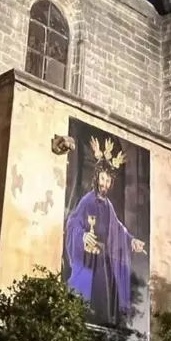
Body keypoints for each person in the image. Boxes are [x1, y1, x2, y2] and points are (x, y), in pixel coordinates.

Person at [65, 136, 146, 326]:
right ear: (96, 179)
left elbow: (118, 228)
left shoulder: (107, 204)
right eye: (103, 179)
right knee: (85, 293)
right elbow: (73, 222)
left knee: (105, 295)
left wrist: (131, 240)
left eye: (108, 180)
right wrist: (83, 235)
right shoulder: (87, 200)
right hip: (87, 257)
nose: (105, 184)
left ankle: (103, 318)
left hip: (102, 258)